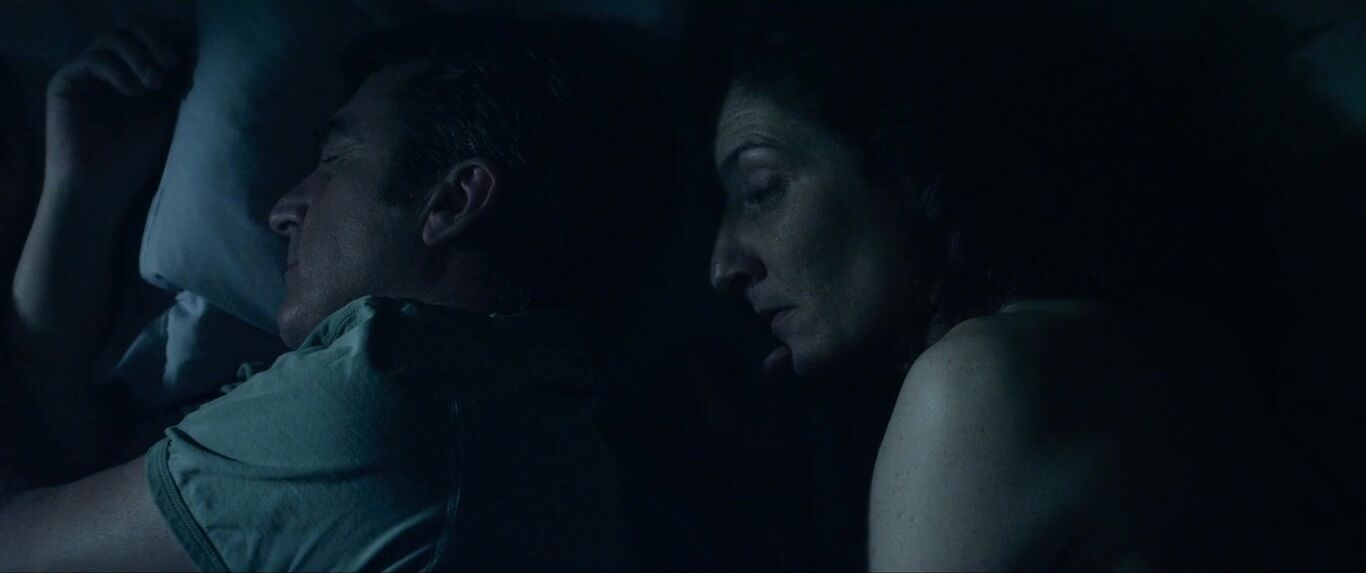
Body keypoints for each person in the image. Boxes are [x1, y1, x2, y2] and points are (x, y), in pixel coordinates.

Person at [1, 13, 667, 570]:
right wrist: (79, 189)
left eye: (333, 161)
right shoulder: (536, 407)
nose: (283, 211)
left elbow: (18, 541)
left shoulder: (383, 399)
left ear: (453, 200)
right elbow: (80, 490)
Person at [702, 2, 1320, 569]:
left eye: (761, 189)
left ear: (906, 159)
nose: (723, 264)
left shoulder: (977, 380)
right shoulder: (1180, 339)